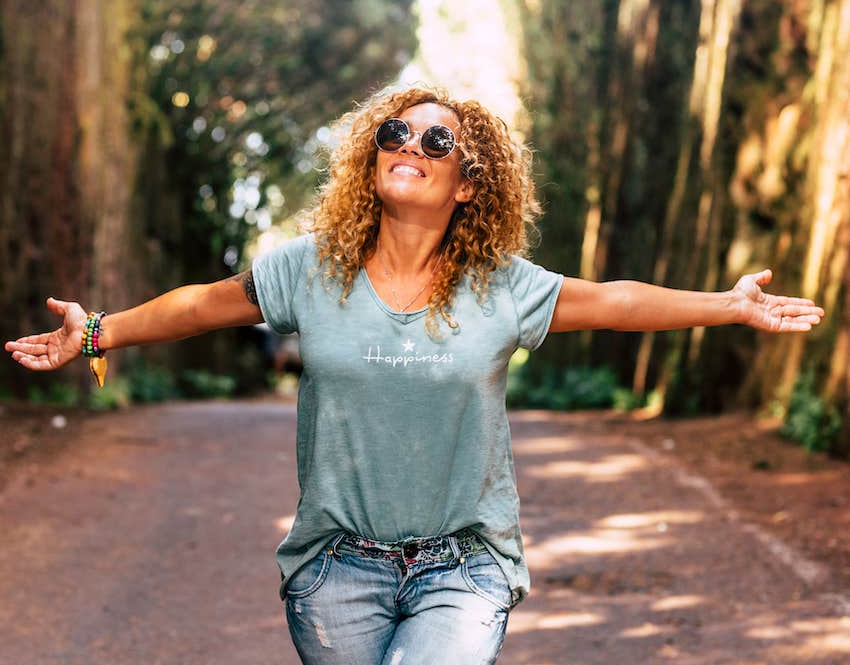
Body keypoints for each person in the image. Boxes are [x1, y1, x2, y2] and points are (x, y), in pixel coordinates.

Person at [5, 84, 824, 665]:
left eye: (437, 141)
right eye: (394, 133)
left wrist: (728, 304)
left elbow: (614, 299)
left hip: (464, 564)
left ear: (469, 185)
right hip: (333, 568)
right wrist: (98, 333)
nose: (409, 146)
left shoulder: (503, 285)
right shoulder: (310, 269)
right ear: (371, 162)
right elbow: (199, 307)